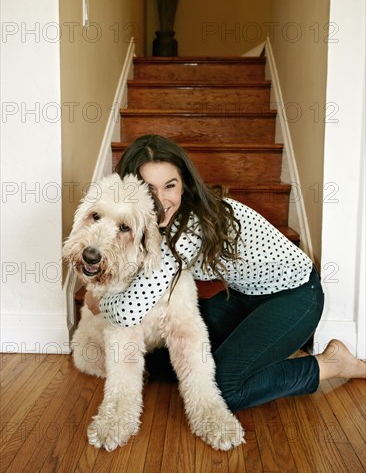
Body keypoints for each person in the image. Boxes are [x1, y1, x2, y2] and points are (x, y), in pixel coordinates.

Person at [86, 134, 365, 412]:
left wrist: (99, 301)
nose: (161, 201)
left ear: (184, 185)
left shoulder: (187, 230)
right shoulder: (148, 225)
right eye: (149, 189)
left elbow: (128, 312)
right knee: (163, 359)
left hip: (295, 295)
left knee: (223, 390)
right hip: (246, 297)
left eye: (169, 186)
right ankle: (271, 349)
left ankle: (330, 363)